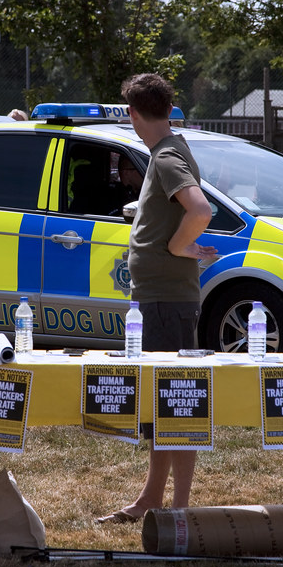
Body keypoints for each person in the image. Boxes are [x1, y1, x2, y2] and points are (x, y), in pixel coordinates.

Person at [96, 73, 217, 524]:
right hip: (160, 299)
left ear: (132, 114)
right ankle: (151, 498)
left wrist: (177, 247)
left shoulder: (167, 157)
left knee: (176, 405)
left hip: (167, 302)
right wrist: (181, 245)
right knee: (161, 405)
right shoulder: (168, 151)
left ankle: (179, 511)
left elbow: (200, 209)